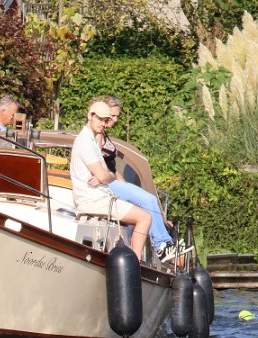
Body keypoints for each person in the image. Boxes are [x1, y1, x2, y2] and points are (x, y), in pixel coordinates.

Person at [98, 97, 182, 263]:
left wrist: (122, 181)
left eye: (117, 116)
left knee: (145, 201)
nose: (115, 120)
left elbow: (110, 165)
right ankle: (162, 245)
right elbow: (98, 165)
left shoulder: (104, 135)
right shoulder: (96, 135)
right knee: (148, 200)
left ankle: (155, 245)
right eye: (112, 116)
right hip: (105, 183)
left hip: (112, 180)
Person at [69, 100, 153, 259]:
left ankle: (129, 258)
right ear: (90, 116)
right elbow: (103, 175)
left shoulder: (92, 140)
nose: (103, 123)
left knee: (138, 214)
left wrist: (106, 176)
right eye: (100, 119)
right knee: (145, 217)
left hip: (101, 197)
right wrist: (107, 176)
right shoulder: (85, 142)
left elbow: (105, 174)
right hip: (93, 200)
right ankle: (135, 263)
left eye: (105, 120)